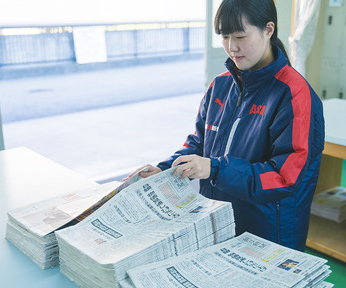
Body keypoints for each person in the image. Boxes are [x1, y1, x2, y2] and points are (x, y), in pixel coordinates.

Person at [128, 0, 324, 251]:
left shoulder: (294, 95)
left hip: (268, 235)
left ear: (268, 30)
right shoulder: (220, 86)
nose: (232, 47)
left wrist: (216, 169)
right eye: (225, 37)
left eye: (241, 36)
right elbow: (198, 144)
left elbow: (284, 177)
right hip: (217, 222)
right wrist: (164, 170)